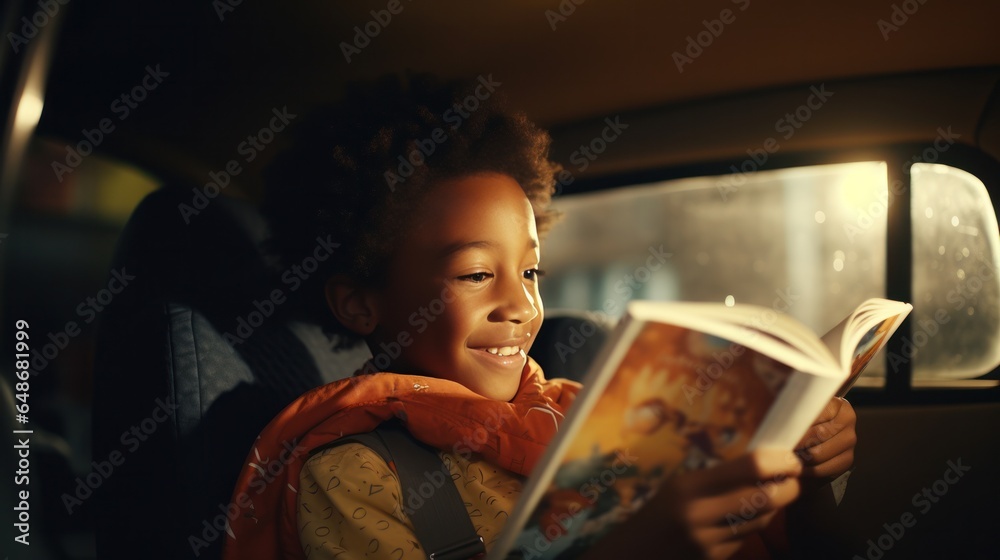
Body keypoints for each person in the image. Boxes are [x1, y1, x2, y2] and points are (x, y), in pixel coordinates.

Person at [220, 74, 857, 560]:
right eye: (475, 274)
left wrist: (802, 472)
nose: (522, 305)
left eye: (530, 273)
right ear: (361, 303)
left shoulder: (587, 420)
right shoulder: (351, 470)